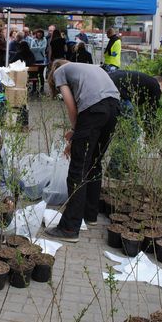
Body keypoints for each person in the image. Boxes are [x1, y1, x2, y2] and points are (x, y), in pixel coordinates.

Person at [44, 60, 121, 242]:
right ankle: (90, 215)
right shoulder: (89, 67)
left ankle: (69, 229)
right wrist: (77, 133)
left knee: (78, 170)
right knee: (94, 162)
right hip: (114, 109)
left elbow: (71, 105)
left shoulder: (59, 71)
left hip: (94, 110)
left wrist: (76, 131)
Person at [30, 29, 48, 95]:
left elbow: (43, 48)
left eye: (40, 33)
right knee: (34, 74)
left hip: (41, 59)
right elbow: (31, 48)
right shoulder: (33, 40)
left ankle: (42, 87)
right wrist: (38, 47)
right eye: (38, 33)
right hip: (34, 59)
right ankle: (34, 88)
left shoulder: (44, 40)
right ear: (36, 34)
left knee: (41, 74)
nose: (39, 34)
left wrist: (36, 48)